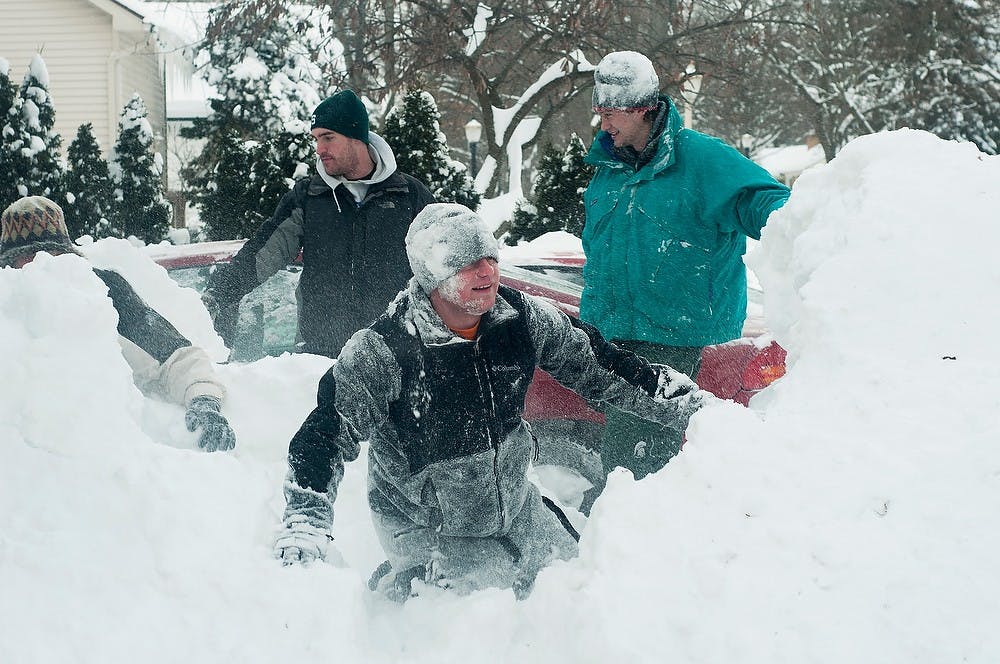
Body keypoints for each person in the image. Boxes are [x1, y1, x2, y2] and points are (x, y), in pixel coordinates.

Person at [272, 203, 714, 600]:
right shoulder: (383, 350)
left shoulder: (520, 319)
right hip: (431, 535)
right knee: (473, 631)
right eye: (467, 264)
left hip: (519, 512)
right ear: (431, 275)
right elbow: (324, 435)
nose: (486, 273)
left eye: (490, 258)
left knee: (586, 593)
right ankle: (393, 594)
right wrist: (306, 522)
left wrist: (695, 409)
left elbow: (603, 367)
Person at [580, 51, 791, 492]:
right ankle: (617, 539)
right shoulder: (609, 168)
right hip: (613, 332)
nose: (603, 125)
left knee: (634, 465)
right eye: (599, 112)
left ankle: (627, 544)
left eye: (612, 113)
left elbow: (776, 212)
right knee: (620, 457)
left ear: (642, 107)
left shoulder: (701, 160)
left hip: (676, 336)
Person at [202, 89, 435, 359]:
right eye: (316, 139)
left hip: (396, 355)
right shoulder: (310, 197)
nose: (319, 149)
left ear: (355, 136)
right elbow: (262, 254)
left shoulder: (409, 195)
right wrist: (217, 295)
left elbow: (444, 266)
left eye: (328, 138)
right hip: (321, 358)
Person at [0, 196, 236, 452]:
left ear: (68, 255)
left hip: (101, 458)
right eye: (29, 255)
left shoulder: (105, 294)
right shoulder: (8, 308)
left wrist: (204, 399)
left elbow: (176, 355)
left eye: (52, 252)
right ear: (10, 264)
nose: (42, 262)